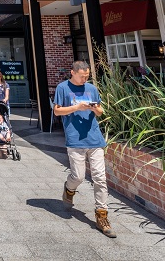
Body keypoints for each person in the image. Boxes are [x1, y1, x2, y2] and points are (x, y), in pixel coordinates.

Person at [54, 60, 116, 238]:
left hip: (95, 139)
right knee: (78, 176)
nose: (84, 79)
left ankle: (102, 216)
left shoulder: (92, 89)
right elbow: (57, 111)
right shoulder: (63, 88)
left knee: (99, 178)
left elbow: (101, 111)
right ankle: (69, 188)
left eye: (87, 76)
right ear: (72, 73)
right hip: (75, 139)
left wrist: (96, 109)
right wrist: (76, 107)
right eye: (82, 76)